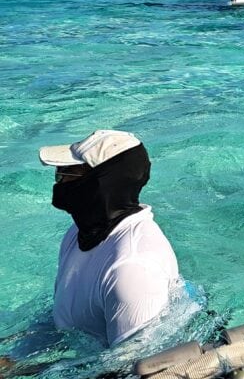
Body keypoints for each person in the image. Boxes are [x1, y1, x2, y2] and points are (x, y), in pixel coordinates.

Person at [38, 130, 179, 347]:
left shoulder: (132, 269)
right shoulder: (76, 234)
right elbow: (60, 324)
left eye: (68, 174)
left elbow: (129, 368)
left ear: (101, 184)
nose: (59, 182)